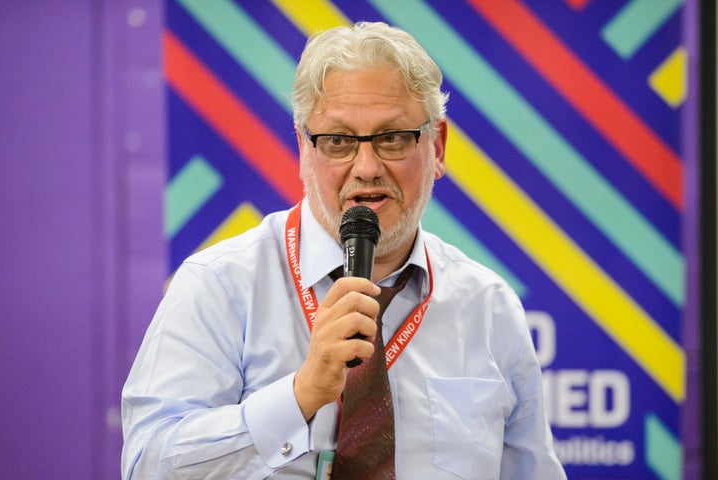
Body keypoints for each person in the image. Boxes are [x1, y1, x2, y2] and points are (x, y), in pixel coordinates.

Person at [121, 21, 566, 479]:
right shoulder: (219, 284)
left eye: (392, 137)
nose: (367, 168)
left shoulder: (488, 306)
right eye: (338, 141)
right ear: (303, 148)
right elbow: (148, 464)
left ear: (436, 147)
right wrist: (300, 395)